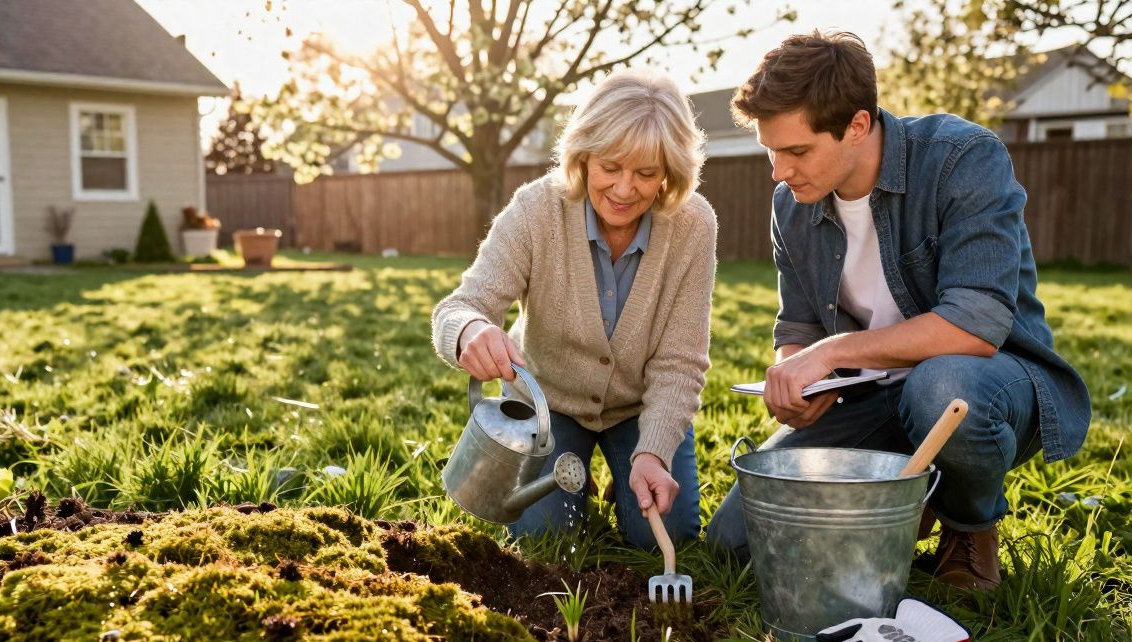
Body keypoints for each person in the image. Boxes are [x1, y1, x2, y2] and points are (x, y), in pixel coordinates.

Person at [705, 31, 1090, 590]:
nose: (779, 171)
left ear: (857, 126)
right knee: (739, 542)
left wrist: (829, 353)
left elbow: (976, 323)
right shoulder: (791, 204)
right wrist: (802, 381)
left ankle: (968, 525)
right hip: (872, 397)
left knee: (941, 388)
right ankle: (910, 497)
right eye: (771, 151)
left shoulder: (963, 159)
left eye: (796, 151)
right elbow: (800, 324)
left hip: (985, 385)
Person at [431, 68, 718, 548]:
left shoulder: (693, 225)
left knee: (669, 535)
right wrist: (470, 332)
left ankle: (623, 470)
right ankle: (576, 475)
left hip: (639, 407)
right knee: (547, 538)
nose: (625, 190)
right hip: (548, 405)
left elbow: (680, 363)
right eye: (610, 167)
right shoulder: (536, 209)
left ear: (669, 172)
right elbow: (461, 306)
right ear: (583, 156)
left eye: (646, 174)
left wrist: (653, 453)